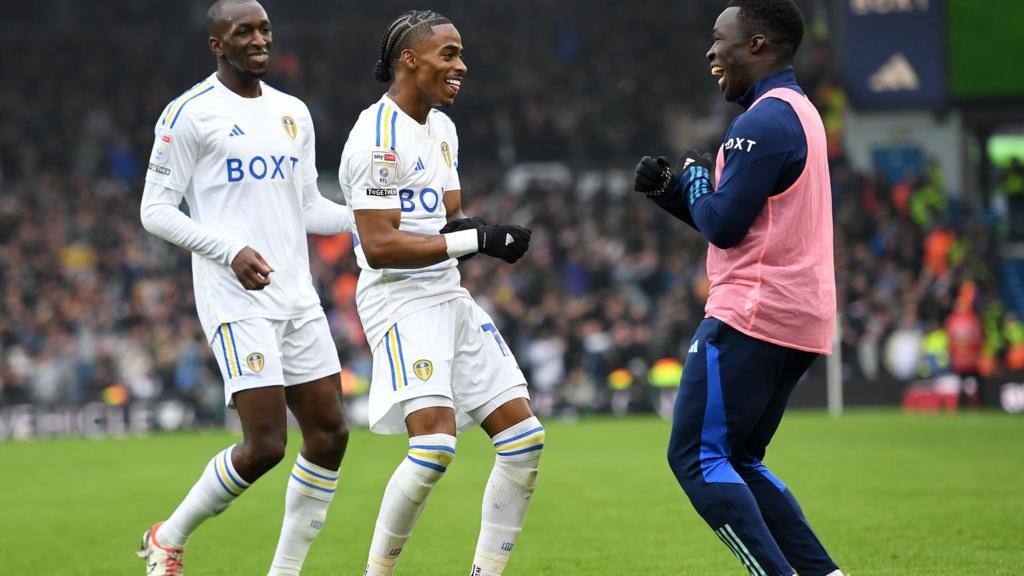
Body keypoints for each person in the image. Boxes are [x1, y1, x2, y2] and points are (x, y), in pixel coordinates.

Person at [137, 1, 352, 574]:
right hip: (235, 299)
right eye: (244, 32)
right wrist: (227, 251)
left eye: (264, 29)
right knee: (266, 446)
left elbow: (309, 207)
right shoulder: (188, 114)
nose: (259, 39)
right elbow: (154, 210)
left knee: (330, 434)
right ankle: (168, 535)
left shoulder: (293, 113)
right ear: (217, 44)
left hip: (297, 297)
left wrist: (368, 215)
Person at [633, 1, 844, 574]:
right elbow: (736, 219)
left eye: (719, 39)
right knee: (741, 459)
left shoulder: (763, 121)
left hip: (753, 311)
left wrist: (697, 174)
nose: (711, 53)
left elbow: (724, 225)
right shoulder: (799, 114)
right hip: (798, 315)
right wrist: (675, 193)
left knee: (697, 457)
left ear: (756, 45)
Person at [337, 10, 542, 576]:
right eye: (448, 54)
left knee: (525, 441)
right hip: (398, 298)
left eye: (459, 54)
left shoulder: (442, 128)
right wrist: (477, 238)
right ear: (410, 60)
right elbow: (379, 245)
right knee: (434, 449)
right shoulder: (377, 138)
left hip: (445, 293)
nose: (461, 65)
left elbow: (447, 224)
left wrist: (487, 234)